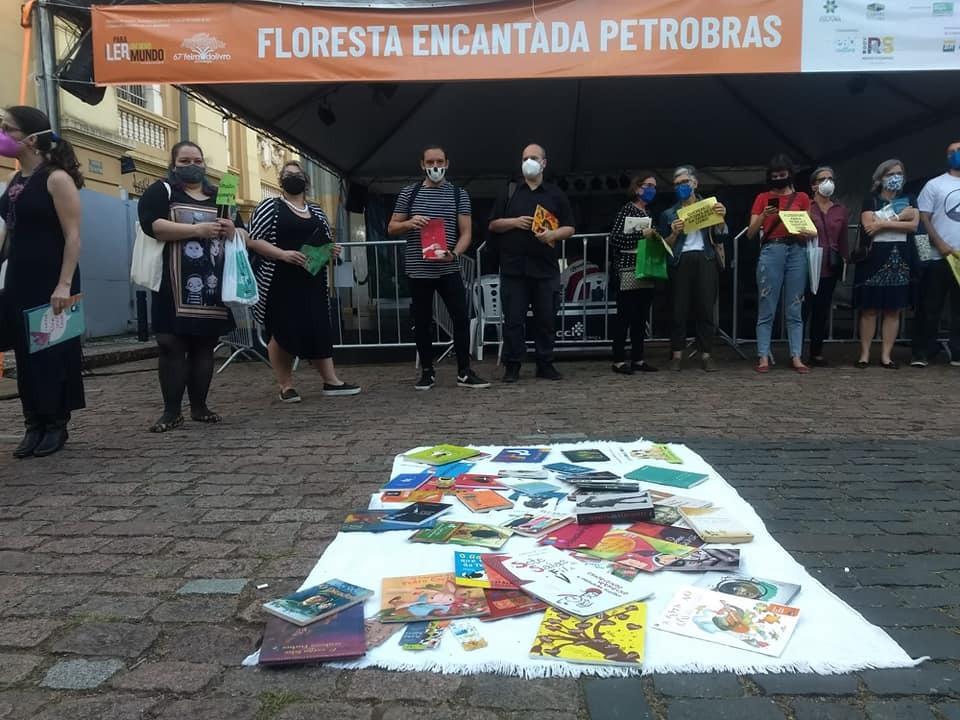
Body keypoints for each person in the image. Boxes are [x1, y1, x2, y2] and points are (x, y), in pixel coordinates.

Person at [0, 106, 84, 457]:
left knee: (51, 350)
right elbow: (8, 231)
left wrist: (64, 285)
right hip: (20, 275)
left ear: (31, 139)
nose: (3, 134)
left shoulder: (56, 178)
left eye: (8, 128)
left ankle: (55, 423)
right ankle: (33, 421)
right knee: (24, 351)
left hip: (53, 276)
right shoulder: (15, 182)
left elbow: (73, 236)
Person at [138, 141, 239, 432]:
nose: (191, 164)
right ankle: (171, 411)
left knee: (203, 346)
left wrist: (233, 229)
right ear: (173, 164)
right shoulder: (162, 191)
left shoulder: (220, 195)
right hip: (171, 283)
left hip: (211, 283)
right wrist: (196, 230)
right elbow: (152, 225)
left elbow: (240, 229)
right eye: (184, 160)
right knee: (170, 344)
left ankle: (199, 406)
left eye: (196, 159)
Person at [248, 161, 360, 402]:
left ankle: (331, 380)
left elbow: (324, 240)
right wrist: (282, 254)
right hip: (279, 279)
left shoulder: (317, 210)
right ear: (281, 181)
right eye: (287, 174)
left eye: (297, 174)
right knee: (282, 330)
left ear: (305, 180)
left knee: (319, 327)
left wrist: (331, 250)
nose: (293, 178)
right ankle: (285, 385)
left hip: (312, 278)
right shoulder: (270, 206)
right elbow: (253, 240)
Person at [387, 145, 489, 390]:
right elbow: (391, 227)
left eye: (439, 161)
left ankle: (464, 371)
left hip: (448, 267)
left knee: (461, 318)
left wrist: (454, 253)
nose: (435, 166)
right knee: (422, 321)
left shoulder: (458, 194)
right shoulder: (408, 194)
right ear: (422, 164)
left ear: (447, 163)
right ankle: (427, 371)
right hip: (418, 269)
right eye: (430, 162)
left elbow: (466, 233)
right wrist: (410, 223)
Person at [488, 143, 575, 383]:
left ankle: (545, 363)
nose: (529, 162)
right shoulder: (510, 191)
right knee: (513, 320)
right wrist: (514, 222)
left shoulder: (555, 194)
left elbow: (570, 227)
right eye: (525, 158)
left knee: (546, 318)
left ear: (544, 163)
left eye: (534, 157)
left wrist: (552, 235)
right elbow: (493, 224)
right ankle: (513, 365)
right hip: (513, 268)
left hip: (545, 268)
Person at [747, 154, 818, 374]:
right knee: (767, 304)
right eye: (774, 175)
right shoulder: (762, 197)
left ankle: (796, 355)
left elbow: (811, 229)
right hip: (772, 248)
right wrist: (763, 217)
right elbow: (750, 233)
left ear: (790, 174)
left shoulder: (803, 197)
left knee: (795, 305)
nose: (778, 178)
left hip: (796, 249)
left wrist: (802, 228)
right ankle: (763, 356)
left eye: (782, 175)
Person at [659, 165, 728, 372]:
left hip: (705, 257)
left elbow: (721, 235)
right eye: (677, 184)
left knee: (706, 307)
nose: (681, 186)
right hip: (681, 260)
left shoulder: (710, 206)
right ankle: (677, 354)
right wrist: (674, 233)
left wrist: (722, 220)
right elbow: (665, 245)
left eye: (685, 182)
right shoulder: (669, 213)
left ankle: (706, 353)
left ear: (695, 183)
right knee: (678, 309)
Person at [853, 158, 920, 368]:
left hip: (900, 259)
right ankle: (864, 354)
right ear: (880, 178)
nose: (896, 178)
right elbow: (868, 226)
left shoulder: (910, 199)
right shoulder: (870, 201)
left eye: (899, 174)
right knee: (869, 309)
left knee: (893, 309)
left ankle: (886, 355)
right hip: (874, 259)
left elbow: (913, 226)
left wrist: (883, 222)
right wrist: (900, 219)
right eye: (891, 174)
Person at [913, 140, 960, 368]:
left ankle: (957, 352)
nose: (955, 155)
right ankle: (923, 352)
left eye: (959, 151)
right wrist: (939, 243)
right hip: (937, 256)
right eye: (951, 152)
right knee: (930, 307)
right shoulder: (934, 185)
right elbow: (924, 218)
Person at [608, 174, 660, 374]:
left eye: (654, 187)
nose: (652, 190)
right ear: (638, 188)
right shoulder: (627, 210)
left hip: (646, 268)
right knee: (625, 316)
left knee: (640, 317)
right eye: (648, 186)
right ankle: (619, 359)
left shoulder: (649, 212)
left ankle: (638, 358)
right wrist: (641, 235)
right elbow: (616, 239)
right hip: (628, 268)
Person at [804, 166, 849, 366]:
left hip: (829, 265)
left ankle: (816, 351)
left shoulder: (840, 210)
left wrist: (846, 259)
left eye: (830, 178)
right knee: (803, 309)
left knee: (822, 310)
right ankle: (795, 351)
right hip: (807, 263)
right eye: (822, 179)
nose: (827, 182)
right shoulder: (806, 207)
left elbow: (844, 239)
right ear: (813, 185)